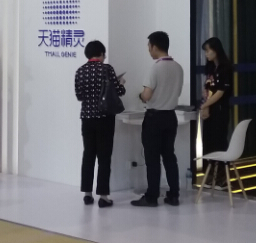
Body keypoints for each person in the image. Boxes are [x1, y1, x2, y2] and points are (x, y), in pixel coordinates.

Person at [131, 31, 184, 208]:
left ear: (154, 46)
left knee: (152, 158)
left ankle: (152, 196)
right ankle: (174, 195)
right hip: (170, 117)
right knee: (169, 156)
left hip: (154, 118)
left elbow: (147, 95)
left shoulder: (155, 68)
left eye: (149, 46)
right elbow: (177, 92)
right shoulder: (178, 67)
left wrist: (140, 96)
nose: (148, 50)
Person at [75, 40, 125, 208]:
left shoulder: (80, 71)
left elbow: (79, 96)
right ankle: (103, 196)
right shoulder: (107, 69)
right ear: (102, 54)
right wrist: (121, 84)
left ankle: (87, 194)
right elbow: (119, 92)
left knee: (88, 155)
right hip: (105, 118)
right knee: (104, 157)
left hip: (87, 118)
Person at [200, 37, 233, 190]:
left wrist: (205, 105)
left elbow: (220, 92)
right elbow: (207, 88)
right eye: (205, 51)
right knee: (208, 142)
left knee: (219, 142)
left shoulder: (225, 68)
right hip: (209, 109)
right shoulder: (211, 68)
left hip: (220, 110)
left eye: (208, 50)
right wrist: (205, 106)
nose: (206, 54)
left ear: (216, 50)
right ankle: (209, 176)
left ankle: (223, 178)